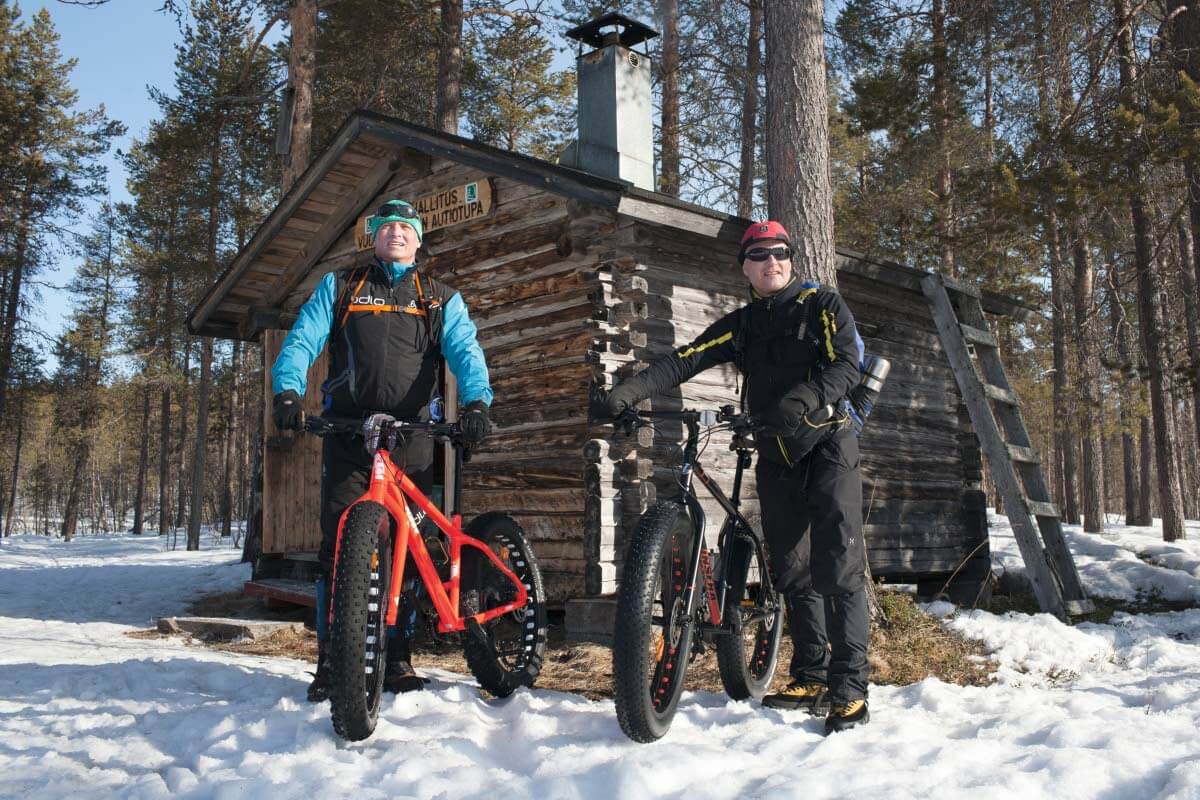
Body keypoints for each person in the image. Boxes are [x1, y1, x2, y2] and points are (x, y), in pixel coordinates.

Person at [606, 220, 870, 734]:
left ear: (790, 259)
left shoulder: (822, 306)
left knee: (837, 562)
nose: (773, 262)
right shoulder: (745, 324)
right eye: (761, 255)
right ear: (745, 267)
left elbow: (848, 368)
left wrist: (804, 397)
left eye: (781, 253)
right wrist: (628, 393)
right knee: (791, 567)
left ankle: (851, 687)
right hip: (776, 453)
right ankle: (811, 674)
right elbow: (687, 358)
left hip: (830, 446)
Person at [271, 198, 493, 702]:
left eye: (406, 227)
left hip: (412, 436)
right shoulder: (342, 286)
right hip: (349, 434)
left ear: (419, 240)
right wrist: (287, 389)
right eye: (387, 226)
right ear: (372, 237)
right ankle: (332, 661)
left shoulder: (438, 298)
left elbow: (466, 353)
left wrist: (477, 403)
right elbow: (303, 339)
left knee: (408, 551)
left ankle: (397, 658)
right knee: (339, 548)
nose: (396, 232)